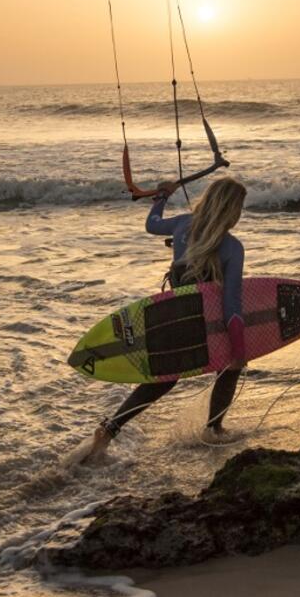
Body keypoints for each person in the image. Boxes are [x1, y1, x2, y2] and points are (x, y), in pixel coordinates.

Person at [82, 176, 248, 462]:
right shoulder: (232, 247)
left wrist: (162, 196)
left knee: (165, 378)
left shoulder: (182, 224)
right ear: (232, 211)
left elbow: (152, 224)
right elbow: (232, 304)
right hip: (204, 327)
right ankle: (214, 428)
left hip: (172, 319)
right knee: (229, 368)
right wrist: (239, 350)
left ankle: (110, 429)